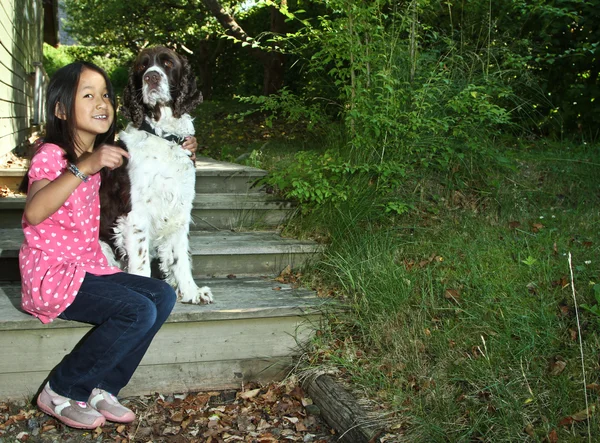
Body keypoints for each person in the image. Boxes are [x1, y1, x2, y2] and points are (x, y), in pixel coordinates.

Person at [18, 61, 194, 429]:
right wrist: (86, 165)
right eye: (88, 95)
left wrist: (183, 143)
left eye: (106, 96)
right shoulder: (52, 155)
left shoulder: (103, 150)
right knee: (137, 311)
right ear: (61, 109)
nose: (101, 103)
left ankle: (104, 386)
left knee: (162, 295)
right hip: (52, 277)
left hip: (88, 269)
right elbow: (34, 211)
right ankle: (62, 387)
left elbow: (150, 156)